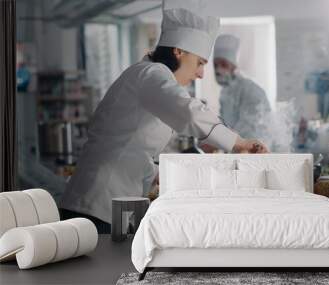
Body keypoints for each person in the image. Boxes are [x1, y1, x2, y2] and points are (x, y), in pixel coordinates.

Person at [60, 0, 268, 233]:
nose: (200, 74)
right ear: (178, 51)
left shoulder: (148, 78)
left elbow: (131, 148)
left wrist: (162, 174)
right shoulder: (151, 74)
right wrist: (238, 143)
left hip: (105, 204)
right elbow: (188, 110)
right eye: (200, 63)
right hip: (94, 205)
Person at [214, 34, 271, 139]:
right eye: (215, 65)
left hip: (255, 150)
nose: (218, 70)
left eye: (223, 64)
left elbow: (249, 128)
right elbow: (226, 126)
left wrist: (222, 141)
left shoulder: (251, 90)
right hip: (237, 150)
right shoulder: (225, 93)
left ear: (233, 65)